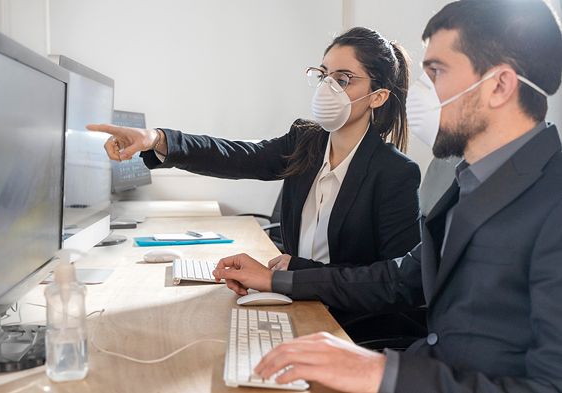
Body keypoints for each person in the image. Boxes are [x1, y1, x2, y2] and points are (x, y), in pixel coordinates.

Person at [211, 0, 562, 392]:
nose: (419, 93)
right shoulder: (472, 180)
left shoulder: (553, 199)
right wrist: (279, 280)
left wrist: (381, 372)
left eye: (437, 72)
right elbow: (395, 278)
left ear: (499, 86)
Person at [88, 27, 421, 273]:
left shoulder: (395, 174)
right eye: (323, 75)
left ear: (377, 96)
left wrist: (294, 276)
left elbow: (392, 282)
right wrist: (155, 138)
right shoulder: (305, 142)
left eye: (343, 79)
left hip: (349, 326)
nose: (327, 88)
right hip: (296, 299)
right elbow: (234, 155)